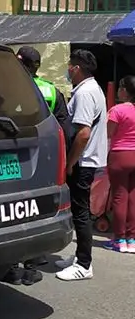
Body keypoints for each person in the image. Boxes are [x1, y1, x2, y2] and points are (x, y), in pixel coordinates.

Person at [1, 46, 70, 285]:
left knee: (9, 211)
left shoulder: (4, 88)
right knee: (35, 210)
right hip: (41, 162)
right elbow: (64, 130)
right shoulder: (51, 90)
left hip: (6, 162)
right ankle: (32, 264)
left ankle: (10, 265)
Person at [55, 49, 108, 281]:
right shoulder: (92, 89)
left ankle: (84, 264)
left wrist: (70, 163)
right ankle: (79, 257)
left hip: (83, 161)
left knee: (81, 212)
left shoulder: (85, 93)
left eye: (69, 66)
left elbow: (83, 133)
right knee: (79, 210)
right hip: (86, 159)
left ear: (76, 68)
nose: (67, 70)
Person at [105, 75, 135, 252]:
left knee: (119, 197)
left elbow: (108, 133)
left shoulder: (117, 110)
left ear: (124, 90)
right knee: (133, 198)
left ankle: (119, 239)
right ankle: (132, 239)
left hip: (119, 154)